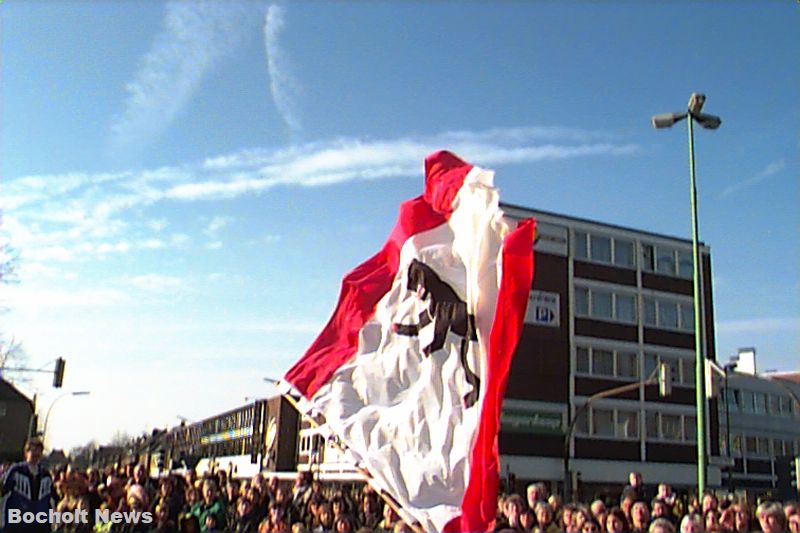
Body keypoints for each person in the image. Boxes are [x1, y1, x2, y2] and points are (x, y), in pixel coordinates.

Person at [0, 437, 56, 533]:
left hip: (40, 526)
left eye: (39, 451)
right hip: (16, 525)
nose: (36, 454)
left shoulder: (45, 476)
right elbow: (4, 496)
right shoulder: (16, 471)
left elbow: (51, 500)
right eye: (33, 450)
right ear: (26, 452)